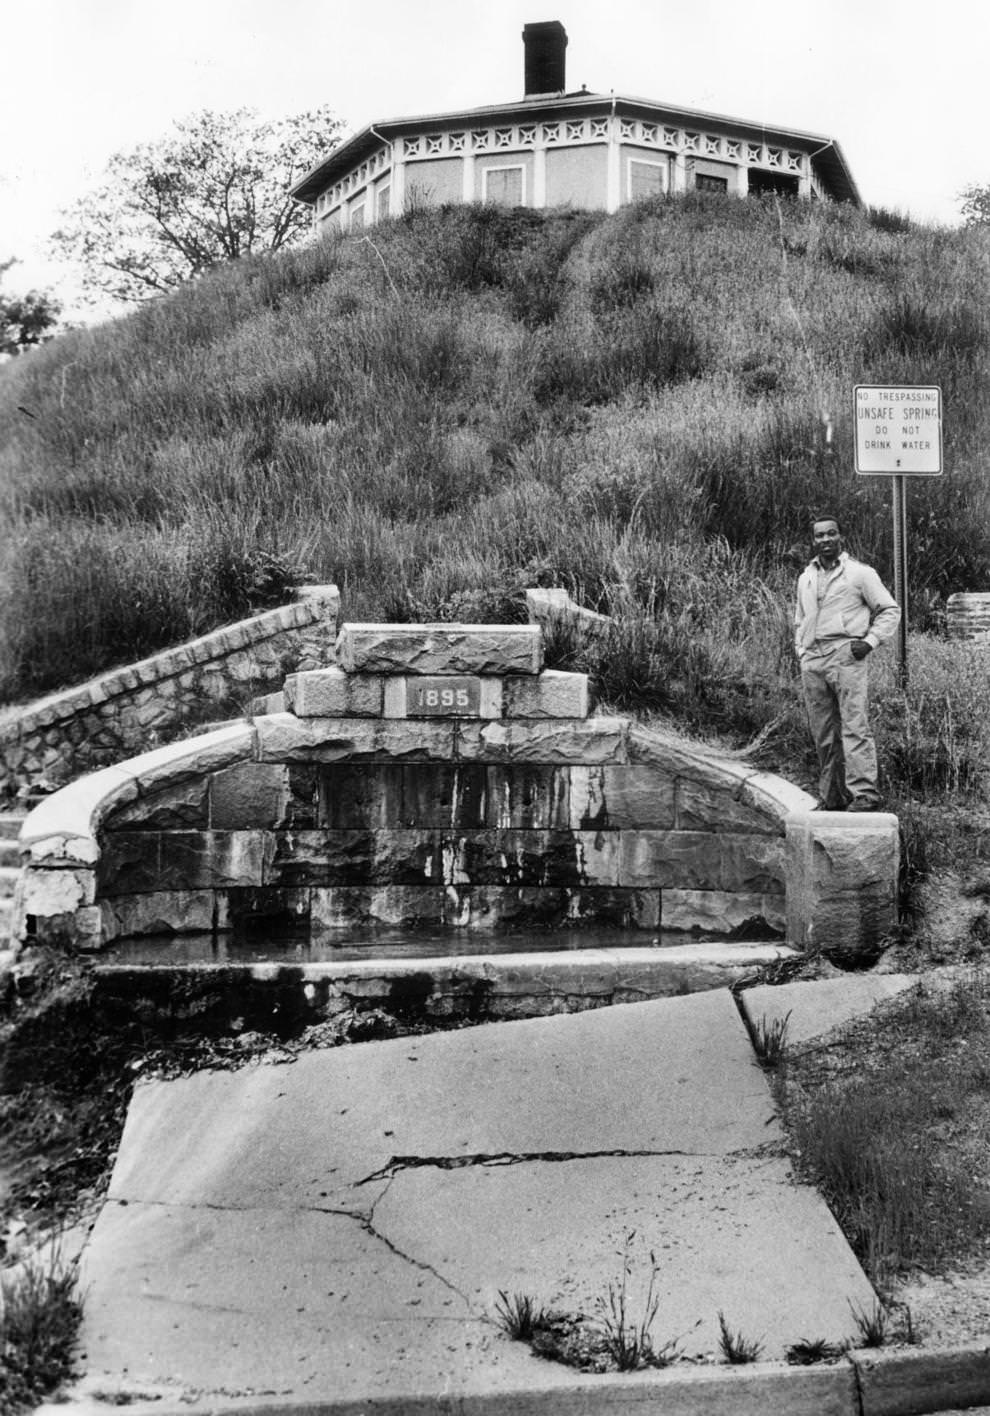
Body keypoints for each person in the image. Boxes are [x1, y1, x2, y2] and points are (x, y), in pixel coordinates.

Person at [794, 516, 900, 812]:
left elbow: (890, 609)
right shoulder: (806, 577)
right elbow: (799, 619)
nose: (825, 540)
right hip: (813, 659)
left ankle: (864, 794)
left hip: (846, 655)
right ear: (813, 540)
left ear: (841, 536)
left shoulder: (859, 574)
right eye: (819, 536)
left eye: (831, 534)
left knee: (854, 725)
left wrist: (869, 642)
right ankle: (832, 796)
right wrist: (801, 651)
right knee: (823, 732)